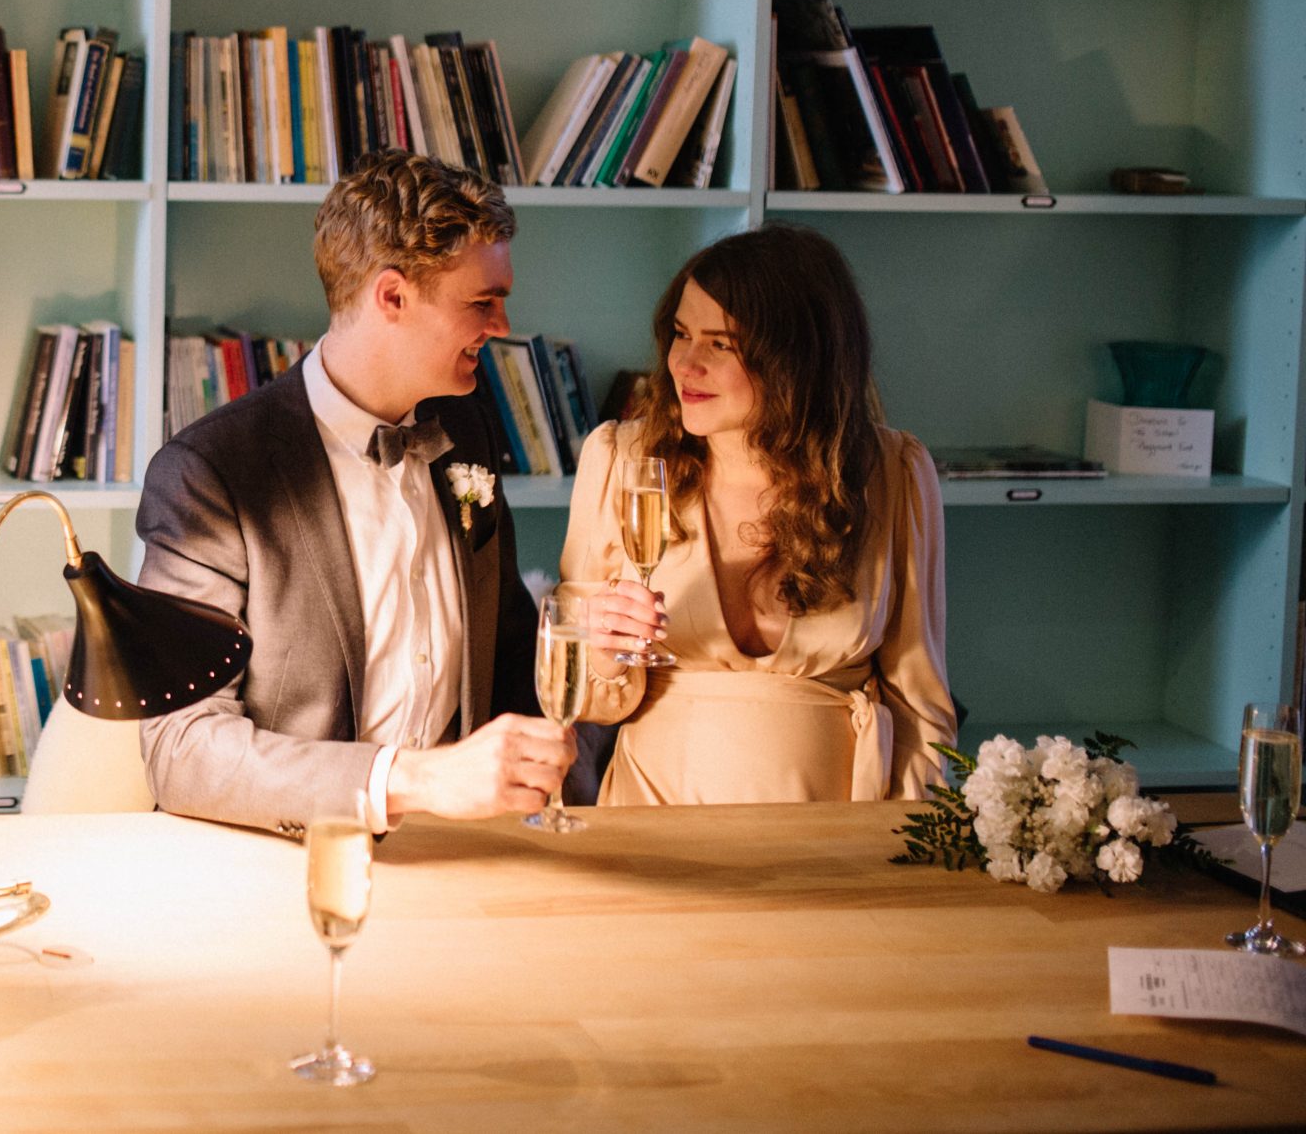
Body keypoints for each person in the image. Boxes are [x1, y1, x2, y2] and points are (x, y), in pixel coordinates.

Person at [137, 151, 570, 836]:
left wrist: (588, 662)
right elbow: (181, 747)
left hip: (455, 860)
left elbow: (508, 653)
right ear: (392, 296)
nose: (501, 324)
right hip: (274, 864)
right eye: (482, 301)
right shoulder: (211, 474)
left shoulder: (468, 428)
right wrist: (409, 780)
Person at [566, 225, 955, 803]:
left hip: (834, 830)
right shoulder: (621, 462)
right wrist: (601, 649)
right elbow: (581, 696)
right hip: (653, 818)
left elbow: (921, 708)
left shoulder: (892, 473)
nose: (684, 365)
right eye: (680, 334)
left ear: (795, 360)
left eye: (719, 344)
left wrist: (910, 853)